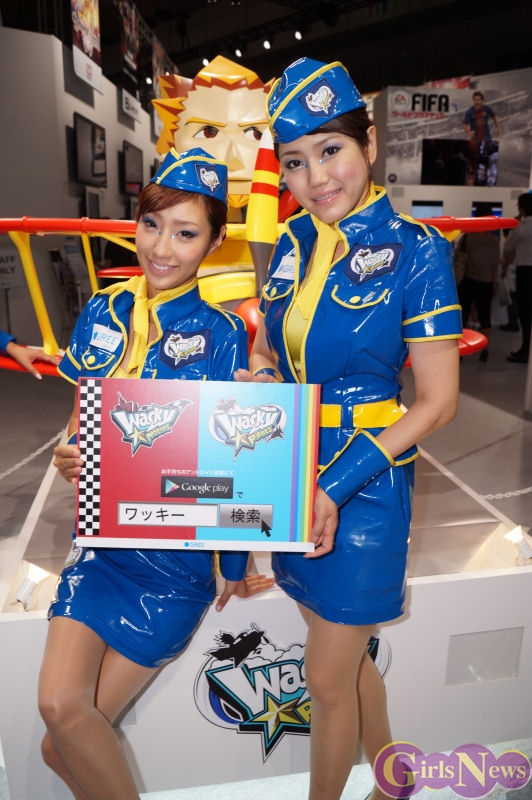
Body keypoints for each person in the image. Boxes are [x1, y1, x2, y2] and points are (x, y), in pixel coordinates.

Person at [235, 58, 461, 800]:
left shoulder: (417, 249)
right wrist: (263, 377)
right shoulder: (292, 243)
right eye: (295, 162)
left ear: (369, 142)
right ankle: (394, 780)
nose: (315, 177)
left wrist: (331, 488)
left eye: (330, 150)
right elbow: (267, 345)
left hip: (365, 487)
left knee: (327, 678)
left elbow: (437, 403)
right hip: (293, 474)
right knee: (348, 660)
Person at [38, 147, 273, 800]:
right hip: (100, 549)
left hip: (172, 563)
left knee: (62, 742)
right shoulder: (102, 311)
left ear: (215, 243)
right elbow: (80, 424)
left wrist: (233, 561)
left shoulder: (224, 333)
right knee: (57, 711)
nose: (162, 248)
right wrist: (70, 456)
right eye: (151, 225)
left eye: (186, 233)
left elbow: (234, 459)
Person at [456, 202, 501, 362]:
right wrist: (494, 285)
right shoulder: (494, 241)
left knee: (463, 316)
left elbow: (458, 257)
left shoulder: (468, 237)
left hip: (467, 281)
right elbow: (495, 266)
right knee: (485, 317)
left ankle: (461, 350)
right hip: (486, 282)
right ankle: (485, 350)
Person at [502, 192, 532, 363]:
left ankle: (525, 350)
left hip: (525, 272)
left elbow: (507, 246)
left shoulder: (520, 228)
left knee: (525, 313)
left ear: (522, 209)